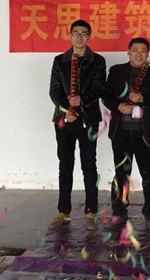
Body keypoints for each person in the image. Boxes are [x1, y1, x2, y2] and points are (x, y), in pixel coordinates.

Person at [49, 19, 106, 230]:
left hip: (88, 119)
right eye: (76, 33)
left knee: (89, 164)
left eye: (83, 33)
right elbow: (54, 90)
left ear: (89, 36)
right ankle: (63, 211)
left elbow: (100, 87)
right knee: (65, 164)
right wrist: (67, 111)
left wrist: (82, 101)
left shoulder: (97, 61)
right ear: (70, 35)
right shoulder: (59, 61)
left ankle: (91, 211)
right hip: (65, 120)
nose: (79, 37)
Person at [103, 37, 150, 230]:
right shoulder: (116, 71)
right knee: (121, 174)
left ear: (148, 54)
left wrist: (143, 98)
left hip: (144, 132)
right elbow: (106, 96)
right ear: (128, 52)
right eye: (135, 50)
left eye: (143, 50)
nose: (139, 54)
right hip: (120, 132)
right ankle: (119, 212)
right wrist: (118, 106)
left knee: (149, 175)